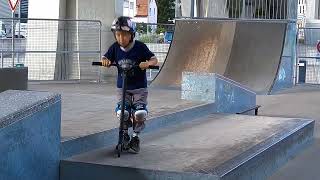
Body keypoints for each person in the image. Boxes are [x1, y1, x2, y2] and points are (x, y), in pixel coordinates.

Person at [101, 16, 158, 153]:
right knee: (122, 113)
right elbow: (105, 57)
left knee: (139, 113)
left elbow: (154, 59)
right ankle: (124, 134)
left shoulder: (140, 47)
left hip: (139, 88)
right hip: (123, 88)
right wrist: (105, 61)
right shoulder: (115, 48)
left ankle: (135, 137)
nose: (121, 38)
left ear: (132, 34)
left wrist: (148, 63)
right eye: (118, 35)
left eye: (125, 35)